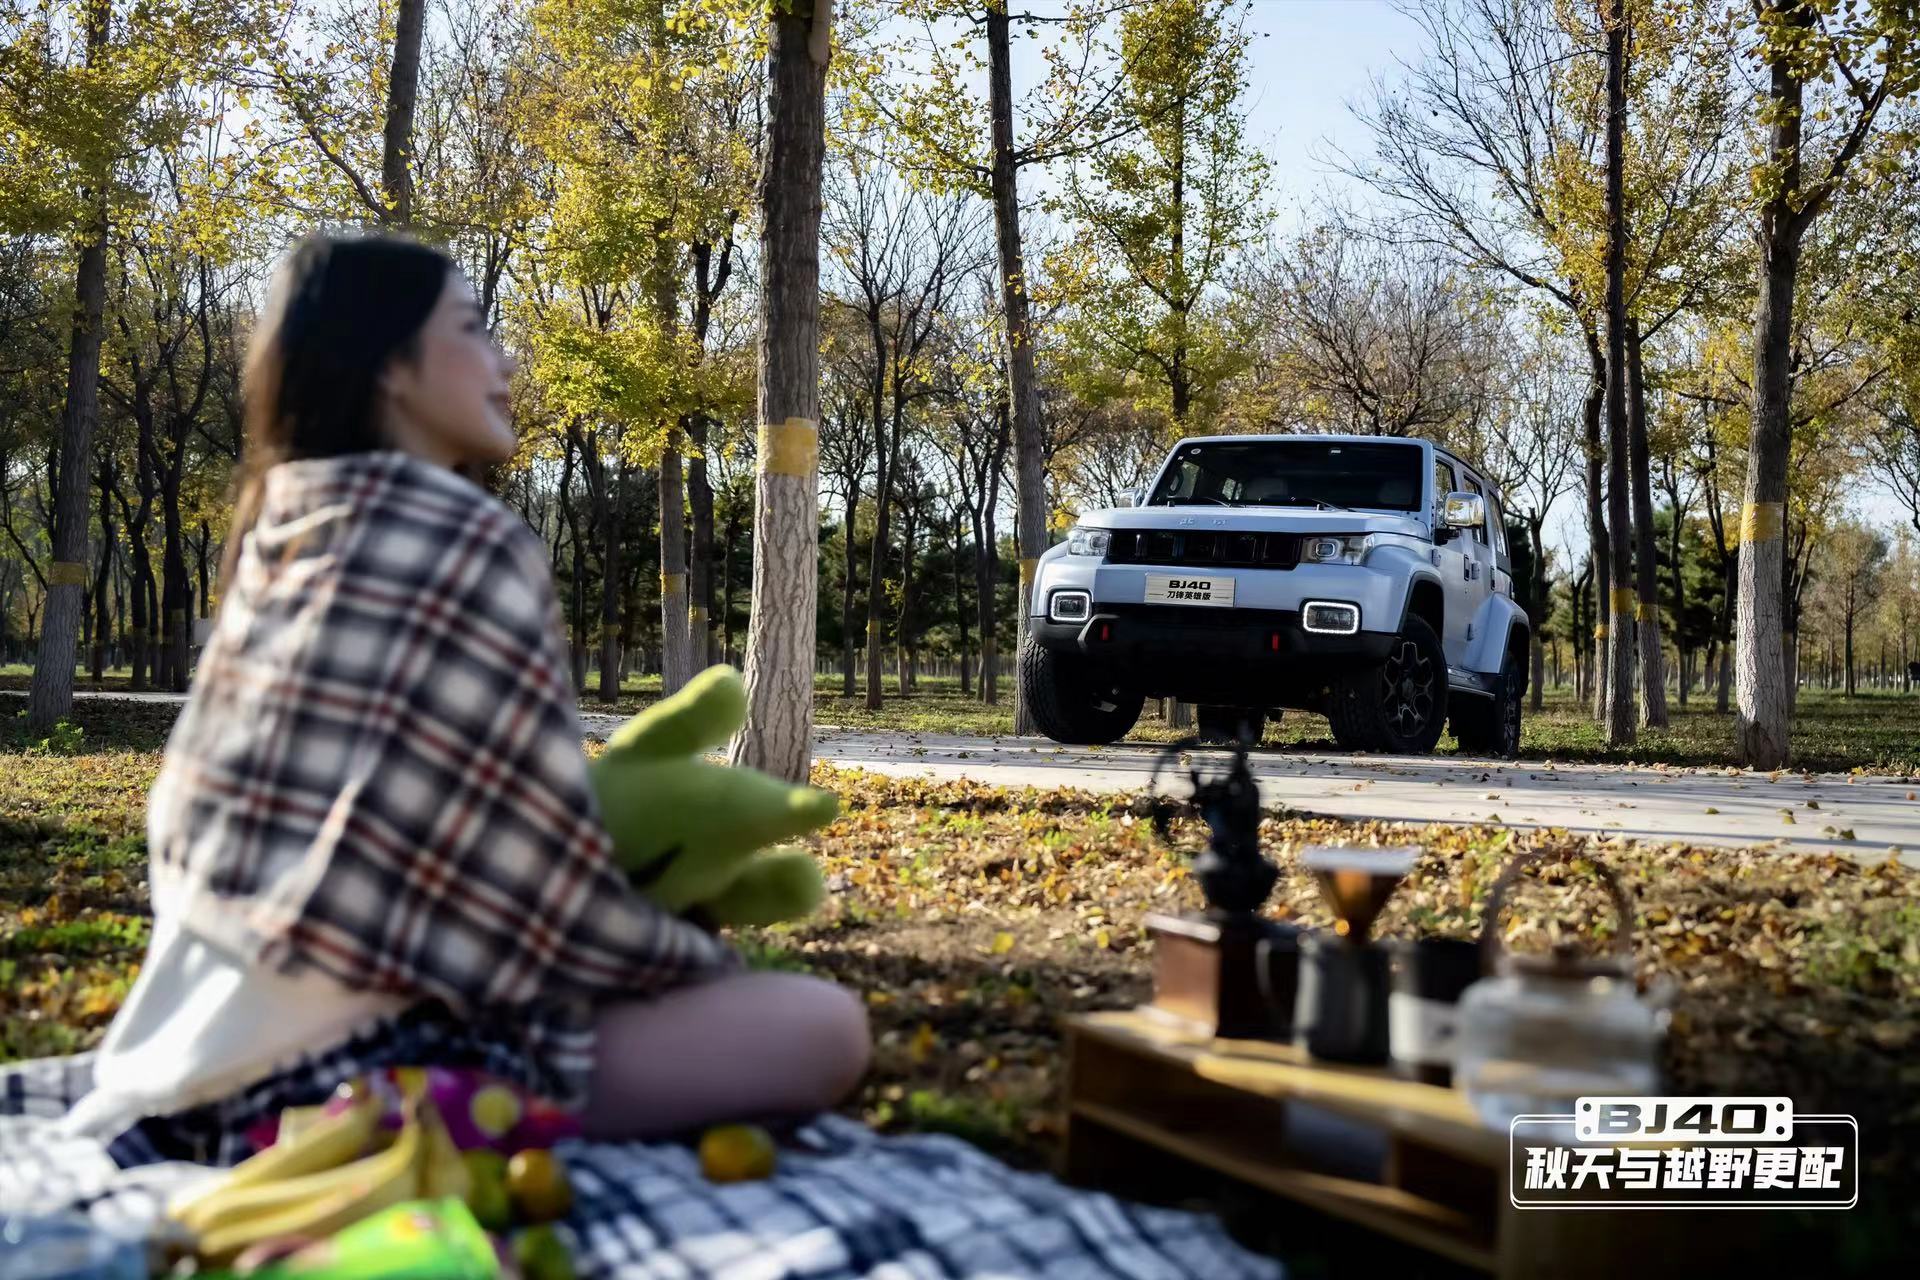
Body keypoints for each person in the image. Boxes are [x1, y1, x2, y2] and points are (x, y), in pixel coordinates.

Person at [58, 234, 868, 1154]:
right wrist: (694, 961)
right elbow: (544, 885)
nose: (505, 360)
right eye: (476, 330)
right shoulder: (471, 543)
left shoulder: (277, 533)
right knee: (822, 1027)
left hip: (172, 1054)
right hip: (330, 1088)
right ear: (393, 367)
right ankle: (430, 1123)